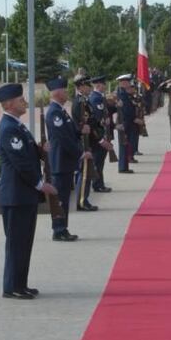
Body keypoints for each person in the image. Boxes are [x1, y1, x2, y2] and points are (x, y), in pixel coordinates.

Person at [0, 83, 57, 300]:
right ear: (10, 104)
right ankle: (11, 286)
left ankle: (20, 283)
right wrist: (41, 184)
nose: (24, 102)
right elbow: (21, 163)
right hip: (16, 195)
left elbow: (27, 152)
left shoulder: (17, 126)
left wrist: (40, 151)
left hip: (23, 195)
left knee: (24, 243)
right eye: (20, 100)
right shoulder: (9, 128)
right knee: (16, 243)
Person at [46, 77, 88, 240]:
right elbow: (63, 139)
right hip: (60, 161)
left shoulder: (61, 111)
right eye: (63, 90)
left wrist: (79, 131)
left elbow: (69, 132)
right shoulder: (55, 113)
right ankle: (59, 230)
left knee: (63, 197)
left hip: (65, 161)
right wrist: (80, 153)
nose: (66, 93)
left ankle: (63, 228)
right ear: (56, 93)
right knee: (60, 198)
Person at [71, 75, 99, 211]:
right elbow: (80, 123)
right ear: (81, 87)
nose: (90, 88)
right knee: (84, 172)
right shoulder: (79, 102)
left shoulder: (84, 101)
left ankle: (84, 199)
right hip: (83, 140)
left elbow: (92, 118)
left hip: (88, 139)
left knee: (87, 172)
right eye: (88, 85)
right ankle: (82, 201)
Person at [88, 76, 114, 192]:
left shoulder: (99, 97)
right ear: (98, 85)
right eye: (103, 84)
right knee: (98, 161)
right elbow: (97, 118)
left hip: (103, 133)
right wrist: (103, 122)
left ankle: (99, 183)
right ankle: (97, 184)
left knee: (100, 161)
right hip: (99, 135)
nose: (105, 86)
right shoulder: (96, 99)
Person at [115, 74, 137, 172]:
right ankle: (123, 167)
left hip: (127, 122)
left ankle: (124, 166)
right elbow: (125, 110)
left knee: (125, 144)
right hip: (124, 122)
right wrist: (132, 119)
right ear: (123, 83)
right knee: (123, 144)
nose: (129, 84)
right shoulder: (121, 93)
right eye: (127, 82)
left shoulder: (124, 93)